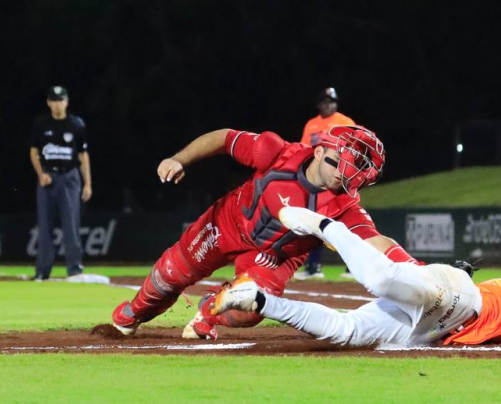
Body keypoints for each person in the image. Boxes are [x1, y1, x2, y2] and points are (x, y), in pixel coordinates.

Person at [110, 124, 418, 340]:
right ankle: (135, 312)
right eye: (343, 164)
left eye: (356, 171)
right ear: (322, 150)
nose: (346, 175)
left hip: (274, 257)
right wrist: (179, 159)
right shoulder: (275, 152)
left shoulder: (346, 205)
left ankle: (209, 309)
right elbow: (224, 138)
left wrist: (416, 270)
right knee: (168, 277)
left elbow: (374, 241)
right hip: (226, 225)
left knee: (252, 307)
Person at [212, 205, 501, 347]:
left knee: (347, 331)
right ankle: (326, 225)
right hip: (459, 299)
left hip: (437, 326)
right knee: (385, 281)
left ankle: (261, 301)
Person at [29, 85, 92, 281]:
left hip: (69, 176)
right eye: (54, 100)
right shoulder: (41, 124)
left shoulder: (76, 124)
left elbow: (83, 155)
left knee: (71, 223)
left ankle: (74, 268)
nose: (57, 104)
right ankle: (42, 271)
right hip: (48, 177)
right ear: (48, 102)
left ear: (67, 101)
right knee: (45, 225)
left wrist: (88, 183)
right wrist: (40, 174)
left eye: (61, 100)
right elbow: (34, 152)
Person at [296, 87, 356, 281]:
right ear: (319, 104)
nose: (329, 104)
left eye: (332, 101)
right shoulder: (311, 125)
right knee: (314, 222)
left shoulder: (345, 122)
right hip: (316, 181)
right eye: (325, 101)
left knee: (346, 221)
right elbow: (304, 150)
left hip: (338, 178)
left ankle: (353, 267)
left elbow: (355, 151)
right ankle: (314, 267)